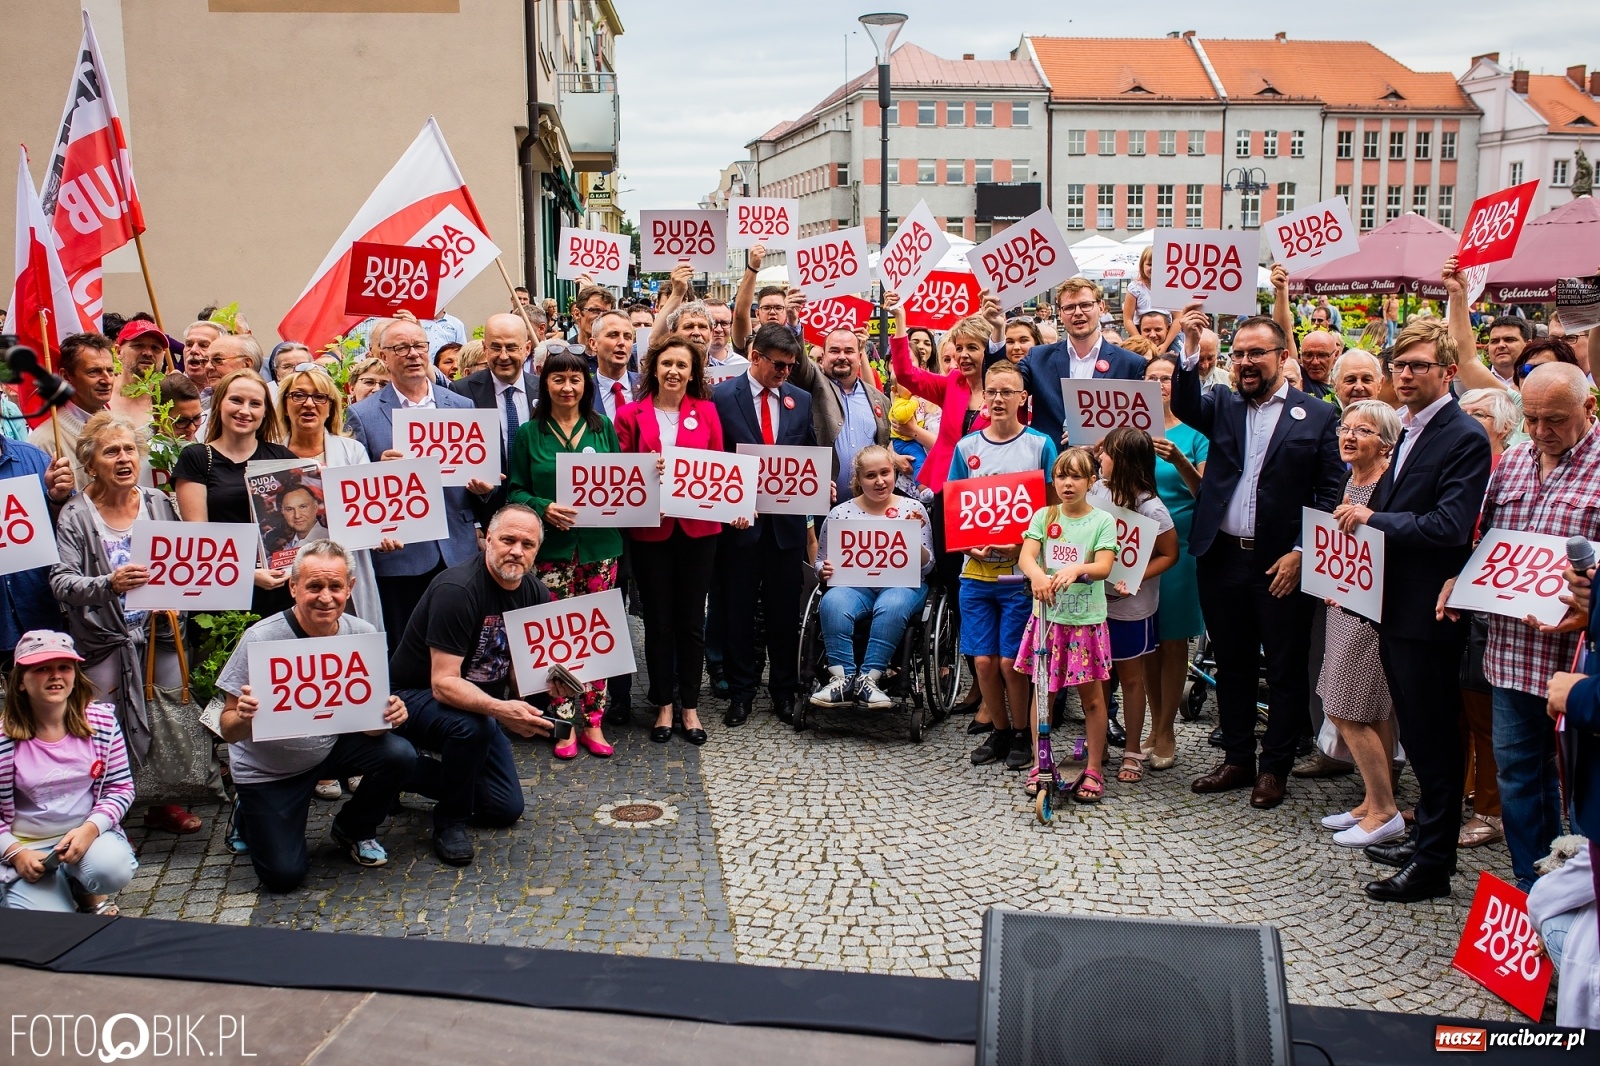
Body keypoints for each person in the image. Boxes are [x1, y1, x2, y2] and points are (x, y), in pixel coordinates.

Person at [1339, 319, 1493, 902]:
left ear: (1448, 372)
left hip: (1428, 613)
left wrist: (1373, 519)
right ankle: (1428, 836)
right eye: (1398, 366)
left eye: (1418, 366)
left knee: (1432, 739)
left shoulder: (1462, 435)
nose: (1404, 375)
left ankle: (1433, 866)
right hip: (1391, 603)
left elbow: (1450, 526)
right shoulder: (1407, 429)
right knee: (1420, 733)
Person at [1440, 362, 1600, 890]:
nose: (1538, 431)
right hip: (1511, 654)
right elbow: (1483, 539)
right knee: (1518, 780)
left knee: (1583, 791)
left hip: (1577, 664)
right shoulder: (1510, 463)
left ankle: (1584, 904)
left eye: (1553, 419)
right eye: (1530, 418)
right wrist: (1457, 581)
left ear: (1588, 410)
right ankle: (1535, 894)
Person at [1174, 315, 1343, 811]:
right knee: (1232, 662)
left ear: (1282, 357)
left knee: (1286, 668)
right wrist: (1189, 345)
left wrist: (1301, 552)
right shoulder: (1223, 405)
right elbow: (1183, 404)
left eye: (1257, 354)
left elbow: (1330, 491)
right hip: (1222, 557)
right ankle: (1237, 758)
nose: (1246, 363)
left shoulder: (1317, 415)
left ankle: (1275, 767)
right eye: (1239, 354)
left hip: (1281, 564)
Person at [214, 542, 414, 890]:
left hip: (327, 749)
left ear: (350, 588)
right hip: (268, 769)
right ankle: (246, 811)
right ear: (294, 587)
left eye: (335, 587)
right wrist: (245, 716)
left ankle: (354, 829)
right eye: (314, 586)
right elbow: (229, 731)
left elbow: (370, 731)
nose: (326, 597)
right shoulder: (260, 638)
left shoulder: (362, 636)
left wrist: (388, 716)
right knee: (283, 877)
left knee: (400, 754)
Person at [389, 507, 555, 865]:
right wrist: (500, 710)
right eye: (508, 540)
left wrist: (546, 690)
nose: (516, 551)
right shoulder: (457, 589)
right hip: (410, 698)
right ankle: (450, 822)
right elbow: (443, 684)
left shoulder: (535, 593)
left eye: (527, 544)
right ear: (487, 540)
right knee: (474, 725)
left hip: (477, 708)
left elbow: (519, 675)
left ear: (537, 551)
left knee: (504, 807)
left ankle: (403, 770)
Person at [50, 412, 193, 823]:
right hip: (105, 637)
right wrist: (108, 584)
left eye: (130, 449)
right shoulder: (76, 515)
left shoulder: (159, 504)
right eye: (111, 451)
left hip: (161, 631)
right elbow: (61, 582)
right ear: (91, 464)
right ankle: (106, 816)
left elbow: (188, 562)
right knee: (103, 726)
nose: (124, 458)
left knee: (163, 713)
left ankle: (162, 800)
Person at [345, 317, 492, 648]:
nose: (412, 354)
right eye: (401, 348)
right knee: (407, 650)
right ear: (383, 356)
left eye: (419, 346)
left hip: (457, 549)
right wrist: (378, 470)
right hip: (402, 555)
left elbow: (478, 478)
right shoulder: (363, 415)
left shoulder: (461, 405)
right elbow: (358, 489)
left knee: (460, 645)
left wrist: (483, 490)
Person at [506, 348, 623, 756]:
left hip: (599, 548)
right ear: (545, 383)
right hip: (551, 551)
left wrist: (651, 473)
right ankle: (562, 720)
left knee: (596, 634)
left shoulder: (601, 427)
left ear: (585, 383)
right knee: (557, 638)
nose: (568, 387)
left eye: (575, 379)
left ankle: (593, 721)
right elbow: (514, 489)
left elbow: (621, 482)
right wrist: (543, 508)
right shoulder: (529, 433)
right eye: (559, 379)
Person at [947, 361, 1059, 768]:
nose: (996, 399)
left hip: (1019, 574)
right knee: (983, 661)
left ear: (1023, 399)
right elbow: (956, 508)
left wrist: (1027, 546)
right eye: (991, 391)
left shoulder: (1040, 445)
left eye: (1006, 392)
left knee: (1012, 662)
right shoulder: (967, 447)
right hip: (976, 572)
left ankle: (1021, 736)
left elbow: (1052, 507)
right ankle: (998, 730)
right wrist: (967, 545)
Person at [615, 335, 723, 744]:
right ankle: (662, 704)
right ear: (654, 370)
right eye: (667, 364)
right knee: (659, 622)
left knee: (692, 622)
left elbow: (717, 468)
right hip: (651, 531)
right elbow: (621, 470)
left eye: (682, 364)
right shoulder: (630, 414)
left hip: (698, 531)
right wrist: (645, 467)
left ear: (693, 372)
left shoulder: (708, 413)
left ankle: (690, 707)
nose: (674, 371)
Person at [711, 323, 817, 727]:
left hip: (786, 527)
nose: (785, 373)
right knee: (737, 611)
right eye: (779, 365)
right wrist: (728, 503)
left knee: (784, 613)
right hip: (740, 526)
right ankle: (741, 693)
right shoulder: (722, 397)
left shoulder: (799, 399)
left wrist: (816, 480)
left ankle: (784, 692)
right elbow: (713, 458)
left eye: (791, 366)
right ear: (755, 356)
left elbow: (807, 449)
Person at [1315, 400, 1405, 847]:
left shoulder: (1389, 483)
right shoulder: (1349, 479)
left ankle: (1385, 810)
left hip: (1369, 611)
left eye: (1363, 431)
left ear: (1386, 443)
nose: (1349, 437)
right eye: (1345, 429)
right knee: (1373, 708)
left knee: (1345, 706)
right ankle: (1373, 801)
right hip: (1342, 605)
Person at [0, 631, 136, 913]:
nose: (55, 676)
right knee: (47, 923)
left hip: (84, 836)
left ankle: (84, 887)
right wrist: (15, 852)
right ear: (21, 682)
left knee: (113, 869)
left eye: (64, 667)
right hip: (26, 843)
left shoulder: (102, 723)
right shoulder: (3, 740)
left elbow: (120, 788)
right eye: (42, 669)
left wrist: (90, 829)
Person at [1016, 448, 1116, 801]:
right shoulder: (1044, 516)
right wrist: (1038, 576)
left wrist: (1077, 569)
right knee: (1043, 693)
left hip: (1085, 623)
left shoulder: (1101, 521)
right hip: (1048, 621)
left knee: (1091, 698)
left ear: (1091, 481)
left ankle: (1093, 767)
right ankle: (1040, 762)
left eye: (1076, 476)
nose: (1067, 483)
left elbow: (1104, 566)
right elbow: (1027, 555)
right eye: (1061, 476)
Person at [810, 445, 935, 708]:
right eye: (871, 476)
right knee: (832, 603)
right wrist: (824, 570)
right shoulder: (840, 513)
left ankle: (870, 678)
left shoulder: (913, 509)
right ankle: (841, 680)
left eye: (885, 473)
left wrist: (913, 537)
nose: (880, 481)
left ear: (894, 473)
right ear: (858, 479)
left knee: (892, 605)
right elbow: (820, 560)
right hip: (855, 584)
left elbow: (927, 567)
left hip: (902, 584)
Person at [1089, 427, 1178, 784]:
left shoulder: (1151, 508)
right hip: (1096, 603)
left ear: (1123, 462)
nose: (1100, 458)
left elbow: (1169, 553)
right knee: (1100, 675)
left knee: (1131, 679)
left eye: (1106, 453)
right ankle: (1099, 744)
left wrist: (1139, 577)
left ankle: (1132, 750)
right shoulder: (1096, 491)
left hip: (1131, 608)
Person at [172, 370, 298, 619]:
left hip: (278, 591)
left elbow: (306, 527)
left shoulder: (282, 458)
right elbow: (198, 539)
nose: (245, 411)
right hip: (222, 594)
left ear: (265, 412)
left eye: (255, 404)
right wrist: (247, 575)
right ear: (219, 404)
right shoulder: (196, 458)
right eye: (236, 400)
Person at [276, 365, 384, 627]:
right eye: (298, 395)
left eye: (319, 397)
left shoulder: (352, 451)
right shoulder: (269, 455)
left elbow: (369, 516)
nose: (308, 404)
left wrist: (381, 534)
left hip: (342, 571)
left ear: (331, 406)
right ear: (285, 404)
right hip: (285, 577)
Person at [1141, 355, 1207, 770]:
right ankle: (1153, 720)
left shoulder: (1196, 434)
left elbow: (1206, 492)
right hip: (1135, 543)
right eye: (1153, 378)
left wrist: (1179, 460)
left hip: (1179, 544)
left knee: (1173, 638)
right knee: (1146, 635)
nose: (1161, 385)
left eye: (1167, 379)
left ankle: (1166, 728)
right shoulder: (1128, 432)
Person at [1007, 278, 1147, 445]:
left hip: (1105, 466)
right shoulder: (1037, 358)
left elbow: (1138, 431)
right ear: (1059, 313)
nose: (1078, 312)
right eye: (1069, 307)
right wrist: (997, 330)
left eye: (1085, 305)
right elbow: (1004, 383)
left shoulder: (1131, 364)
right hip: (1051, 463)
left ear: (1101, 307)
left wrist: (1102, 442)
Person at [451, 313, 538, 520]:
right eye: (496, 348)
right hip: (485, 513)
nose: (504, 356)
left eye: (511, 347)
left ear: (526, 349)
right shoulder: (461, 392)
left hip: (537, 511)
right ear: (484, 349)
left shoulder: (544, 391)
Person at [790, 326, 892, 503]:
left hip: (868, 507)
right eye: (835, 351)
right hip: (820, 503)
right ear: (823, 358)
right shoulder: (814, 384)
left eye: (849, 351)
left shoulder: (880, 400)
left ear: (859, 358)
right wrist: (793, 325)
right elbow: (799, 364)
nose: (842, 357)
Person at [28, 331, 117, 488]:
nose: (107, 380)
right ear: (66, 376)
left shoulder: (121, 427)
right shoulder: (45, 441)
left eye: (110, 370)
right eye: (94, 372)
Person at [589, 310, 639, 425]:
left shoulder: (649, 387)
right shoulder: (582, 393)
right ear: (593, 344)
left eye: (627, 337)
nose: (621, 342)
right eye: (613, 335)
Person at [1121, 248, 1156, 329]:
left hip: (1167, 333)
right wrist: (1140, 340)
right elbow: (1127, 319)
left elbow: (1177, 318)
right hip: (1139, 332)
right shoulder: (1135, 288)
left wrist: (1166, 342)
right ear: (1142, 265)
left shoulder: (1170, 287)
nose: (1153, 268)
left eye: (1158, 264)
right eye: (1150, 264)